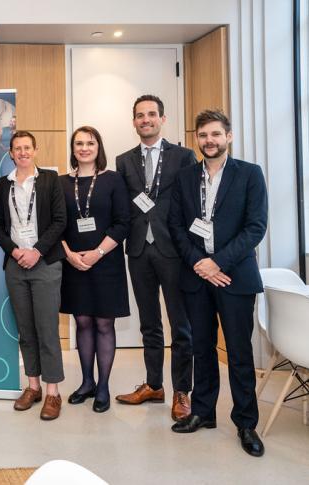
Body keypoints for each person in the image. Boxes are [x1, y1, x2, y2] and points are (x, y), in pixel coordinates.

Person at [168, 109, 268, 457]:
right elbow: (176, 226)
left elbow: (255, 227)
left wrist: (217, 262)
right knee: (202, 349)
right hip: (196, 277)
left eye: (215, 134)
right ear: (196, 138)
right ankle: (202, 411)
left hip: (233, 277)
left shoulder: (250, 175)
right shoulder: (185, 177)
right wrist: (199, 263)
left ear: (229, 136)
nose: (209, 141)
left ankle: (245, 423)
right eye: (203, 135)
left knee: (239, 353)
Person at [115, 95, 196, 421]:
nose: (145, 119)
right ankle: (153, 385)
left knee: (181, 325)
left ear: (163, 119)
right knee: (149, 324)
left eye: (151, 114)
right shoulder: (123, 160)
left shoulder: (184, 156)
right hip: (138, 250)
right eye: (139, 115)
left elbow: (191, 204)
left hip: (173, 250)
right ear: (133, 122)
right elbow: (123, 206)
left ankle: (181, 392)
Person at [0, 130, 67, 420]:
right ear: (11, 153)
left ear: (35, 150)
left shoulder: (50, 180)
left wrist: (36, 250)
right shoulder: (3, 185)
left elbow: (60, 221)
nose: (22, 152)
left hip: (45, 262)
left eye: (27, 147)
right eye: (17, 148)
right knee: (25, 328)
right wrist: (15, 251)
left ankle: (52, 392)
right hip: (15, 265)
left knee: (47, 328)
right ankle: (33, 385)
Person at [60, 126, 130, 414]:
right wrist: (69, 255)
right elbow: (56, 223)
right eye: (79, 143)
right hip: (74, 262)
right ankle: (87, 382)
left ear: (99, 147)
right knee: (83, 322)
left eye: (90, 143)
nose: (84, 148)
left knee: (103, 324)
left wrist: (98, 253)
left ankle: (103, 386)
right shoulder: (62, 183)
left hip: (106, 262)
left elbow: (123, 222)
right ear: (73, 148)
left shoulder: (113, 180)